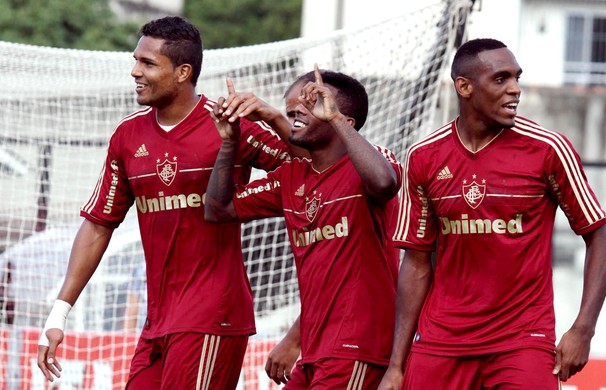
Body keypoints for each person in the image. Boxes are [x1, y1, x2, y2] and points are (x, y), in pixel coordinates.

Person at [37, 16, 291, 389]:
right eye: (136, 60)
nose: (135, 72)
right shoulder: (128, 134)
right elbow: (98, 224)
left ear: (182, 72)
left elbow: (310, 169)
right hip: (157, 320)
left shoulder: (230, 125)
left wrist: (275, 118)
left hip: (212, 316)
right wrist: (58, 315)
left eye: (148, 63)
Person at [378, 38, 606, 390]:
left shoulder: (549, 149)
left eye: (517, 78)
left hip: (521, 340)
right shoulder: (424, 156)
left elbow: (601, 240)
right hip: (442, 341)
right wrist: (396, 365)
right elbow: (416, 263)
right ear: (465, 87)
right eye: (501, 79)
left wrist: (583, 328)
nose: (515, 90)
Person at [204, 65, 402, 388]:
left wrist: (334, 119)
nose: (296, 108)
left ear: (343, 118)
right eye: (292, 105)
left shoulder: (371, 162)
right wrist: (229, 142)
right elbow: (218, 209)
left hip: (358, 349)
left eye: (311, 102)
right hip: (314, 350)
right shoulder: (290, 177)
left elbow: (384, 184)